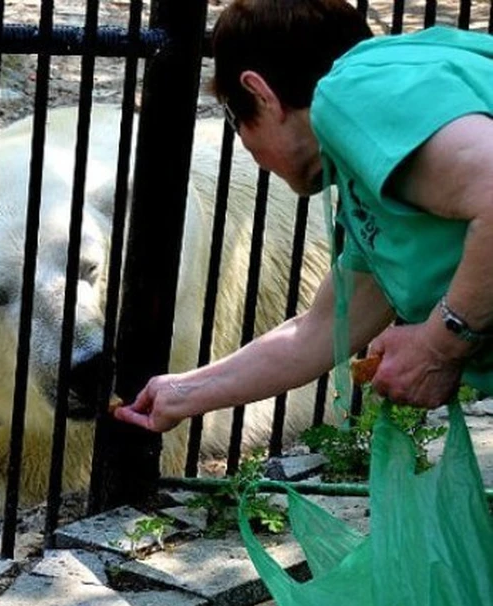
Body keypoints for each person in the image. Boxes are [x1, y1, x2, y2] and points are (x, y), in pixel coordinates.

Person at [114, 0, 493, 434]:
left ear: (261, 94)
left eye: (236, 120)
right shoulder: (395, 116)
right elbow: (321, 329)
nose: (247, 148)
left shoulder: (345, 92)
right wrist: (183, 393)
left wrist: (438, 345)